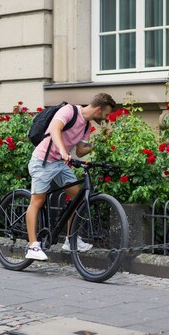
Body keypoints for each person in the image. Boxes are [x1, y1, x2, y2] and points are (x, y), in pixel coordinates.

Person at [25, 93, 116, 260]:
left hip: (60, 163)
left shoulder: (87, 126)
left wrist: (99, 141)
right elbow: (54, 129)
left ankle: (70, 239)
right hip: (43, 160)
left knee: (77, 198)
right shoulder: (69, 111)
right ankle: (33, 246)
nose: (107, 118)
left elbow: (81, 151)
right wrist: (62, 150)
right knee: (37, 201)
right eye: (106, 114)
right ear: (98, 109)